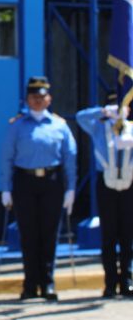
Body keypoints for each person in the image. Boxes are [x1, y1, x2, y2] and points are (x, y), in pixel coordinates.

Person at [0, 76, 77, 301]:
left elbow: (70, 158)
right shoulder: (17, 126)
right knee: (29, 234)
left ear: (49, 99)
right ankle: (30, 284)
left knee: (49, 234)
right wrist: (6, 188)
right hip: (25, 182)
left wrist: (70, 189)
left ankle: (48, 283)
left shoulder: (59, 125)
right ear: (27, 99)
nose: (37, 101)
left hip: (51, 182)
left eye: (42, 97)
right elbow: (7, 157)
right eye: (34, 97)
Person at [76, 95, 133, 298]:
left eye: (123, 107)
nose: (119, 110)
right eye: (115, 107)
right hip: (106, 183)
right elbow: (80, 117)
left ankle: (127, 281)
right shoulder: (99, 128)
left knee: (128, 236)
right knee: (108, 236)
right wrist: (101, 111)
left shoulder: (131, 127)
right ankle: (110, 283)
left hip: (129, 183)